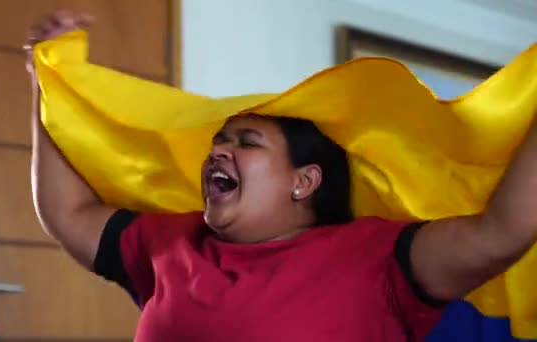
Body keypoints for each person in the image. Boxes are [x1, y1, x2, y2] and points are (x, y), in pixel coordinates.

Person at [27, 11, 537, 342]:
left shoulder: (378, 258)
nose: (220, 151)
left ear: (305, 181)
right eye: (219, 140)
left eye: (246, 143)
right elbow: (67, 214)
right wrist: (47, 90)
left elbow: (500, 233)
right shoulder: (168, 242)